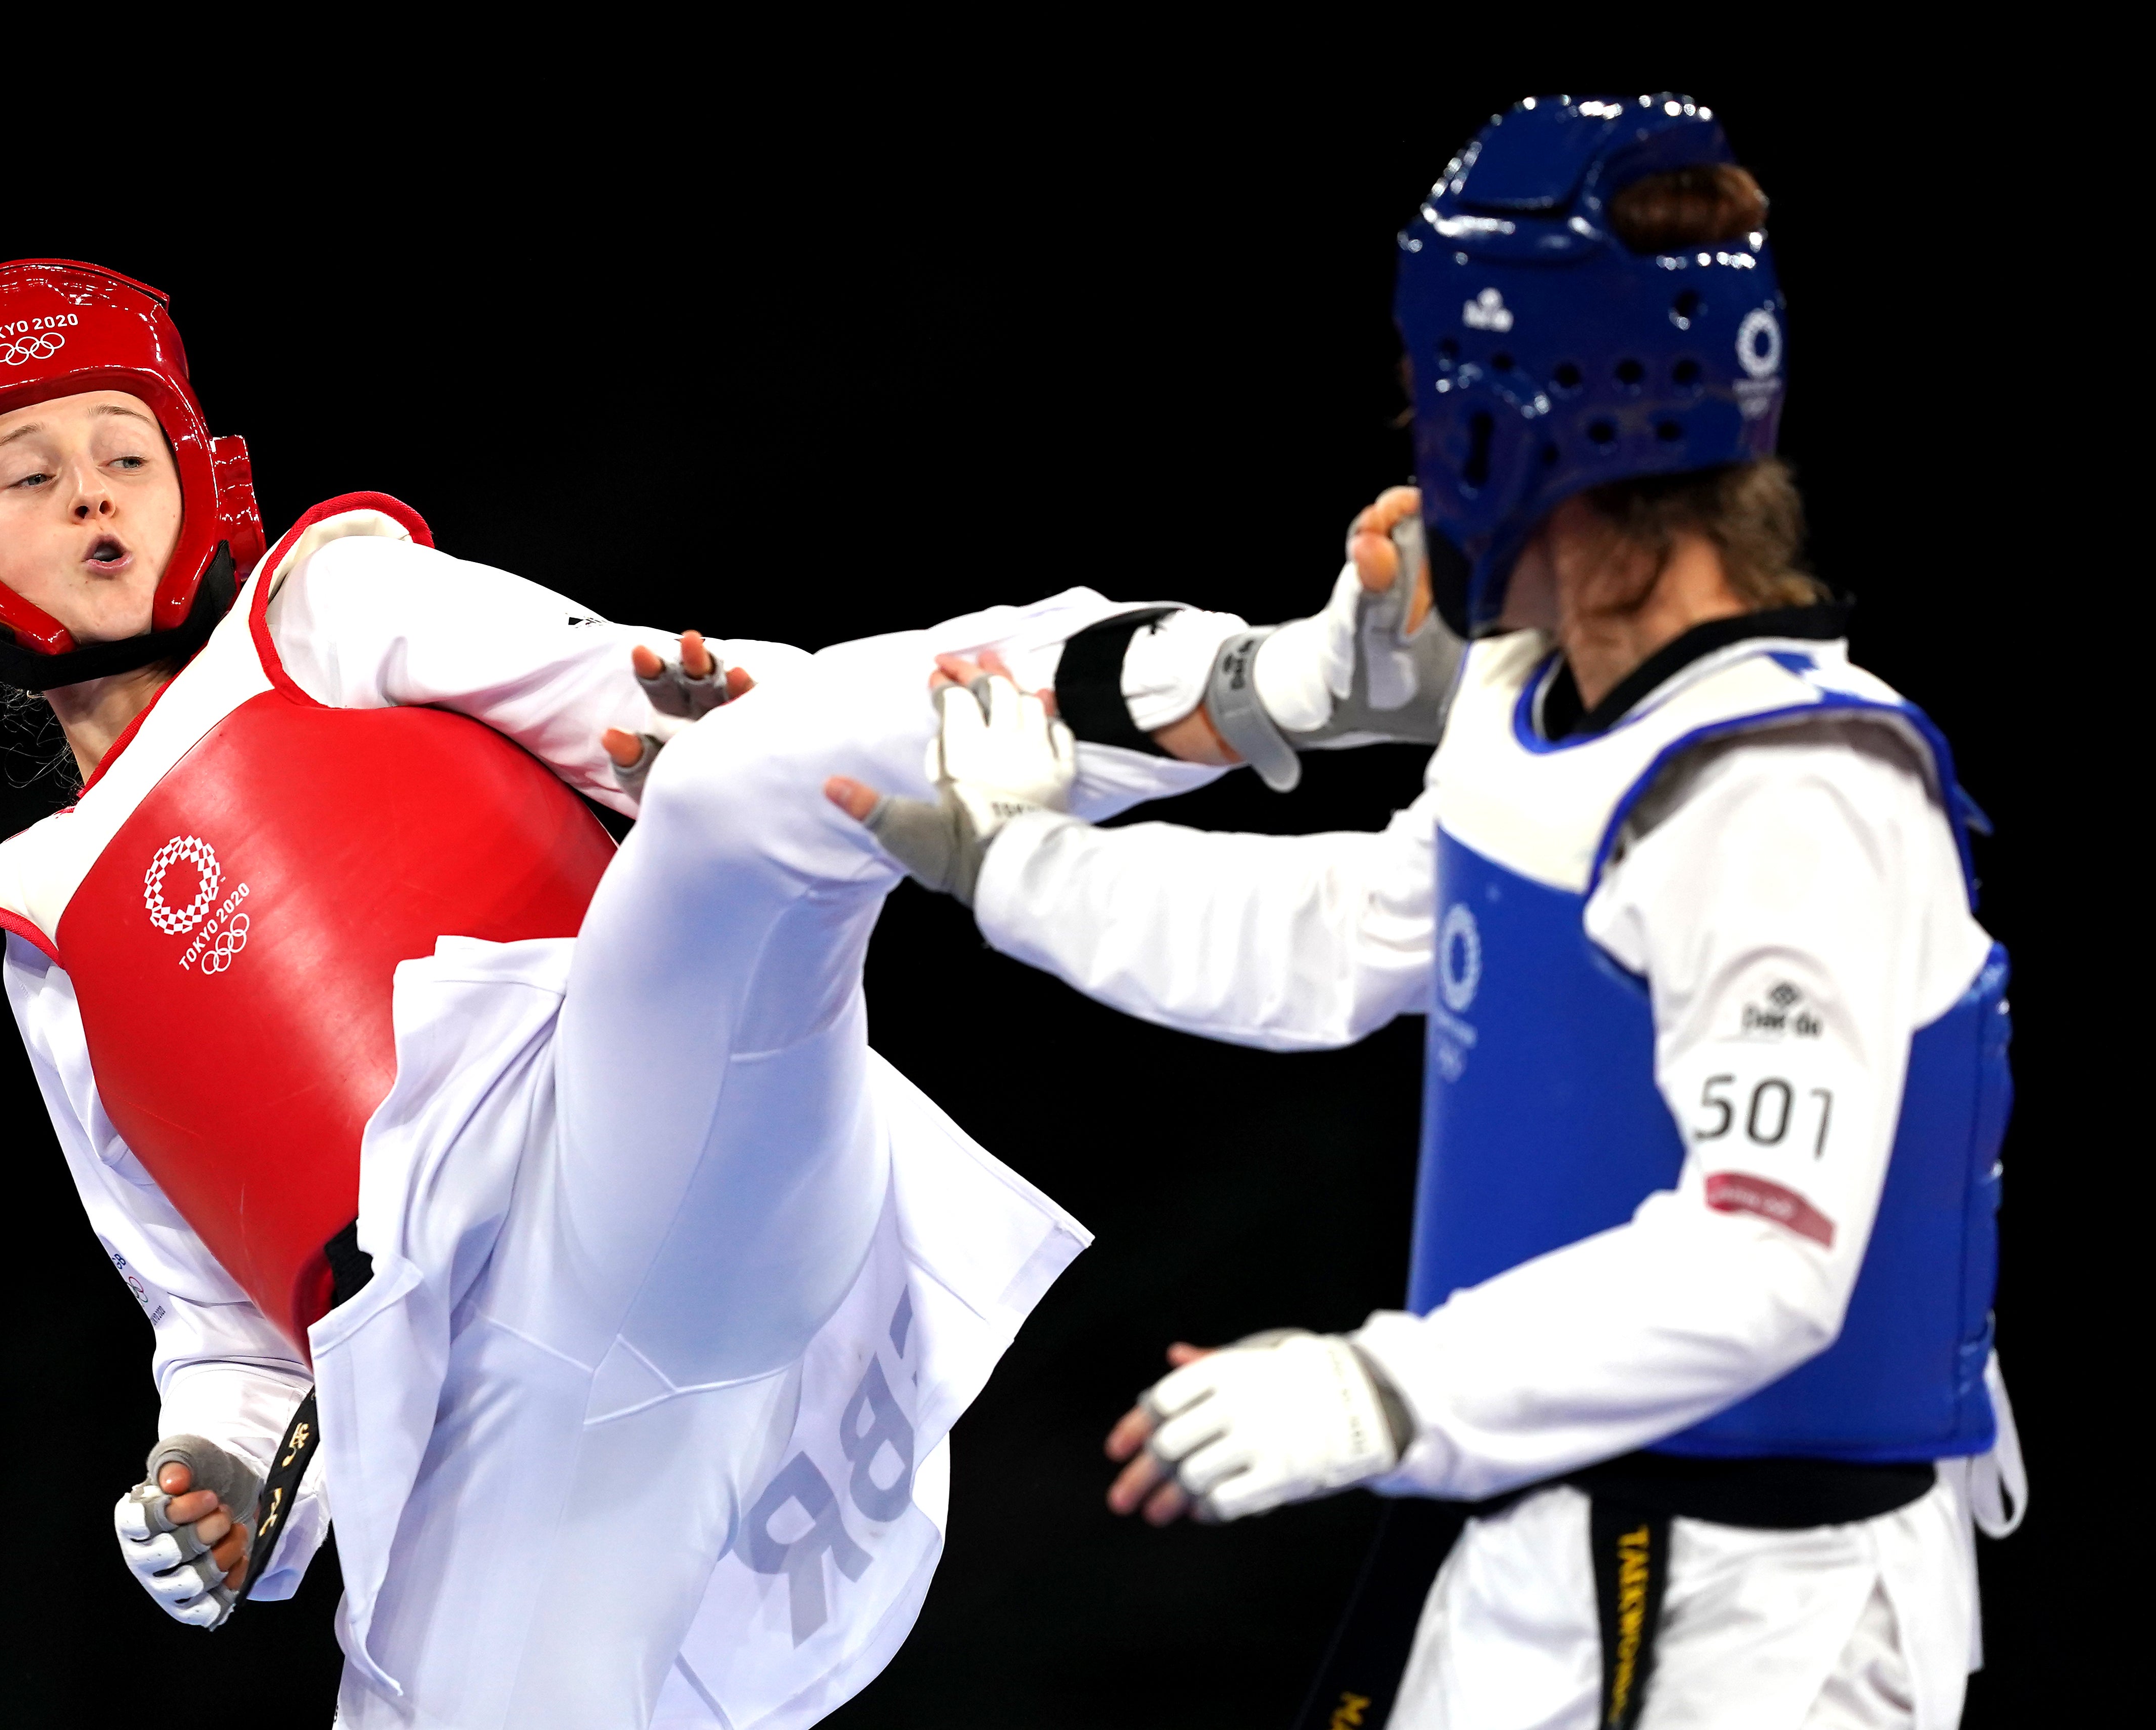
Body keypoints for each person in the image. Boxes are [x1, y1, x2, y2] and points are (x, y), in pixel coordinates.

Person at [0, 258, 1354, 1728]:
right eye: (27, 473)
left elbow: (644, 699)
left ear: (200, 481)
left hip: (625, 1117)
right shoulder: (46, 944)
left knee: (741, 785)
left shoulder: (321, 610)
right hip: (499, 1402)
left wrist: (804, 741)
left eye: (123, 454)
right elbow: (218, 1328)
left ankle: (1261, 677)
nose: (91, 497)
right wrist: (207, 1472)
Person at [832, 97, 2026, 1728]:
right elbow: (1354, 931)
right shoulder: (1537, 703)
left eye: (1425, 404)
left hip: (1776, 1621)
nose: (1411, 457)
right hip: (1528, 1512)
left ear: (1514, 425)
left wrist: (1375, 1387)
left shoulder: (1796, 799)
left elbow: (1763, 1268)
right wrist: (1017, 866)